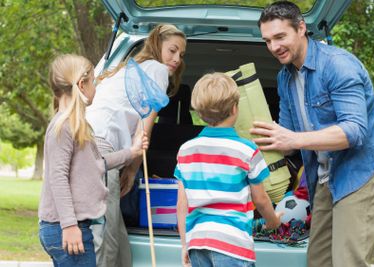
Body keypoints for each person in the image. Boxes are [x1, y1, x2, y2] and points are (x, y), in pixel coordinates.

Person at [252, 2, 374, 267]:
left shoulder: (338, 65)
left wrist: (293, 139)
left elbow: (354, 130)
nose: (273, 47)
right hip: (324, 178)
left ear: (301, 29)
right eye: (267, 40)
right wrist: (251, 140)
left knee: (348, 262)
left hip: (361, 173)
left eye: (279, 37)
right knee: (318, 260)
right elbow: (287, 143)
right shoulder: (285, 78)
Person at [86, 24, 186, 267]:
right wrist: (132, 169)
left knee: (117, 238)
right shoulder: (159, 71)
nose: (176, 59)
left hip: (92, 141)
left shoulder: (129, 70)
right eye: (172, 50)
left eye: (181, 55)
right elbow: (145, 126)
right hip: (100, 146)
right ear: (156, 44)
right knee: (106, 235)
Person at [38, 54, 148, 267]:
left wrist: (132, 152)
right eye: (94, 82)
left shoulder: (77, 126)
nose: (95, 88)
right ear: (82, 84)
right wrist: (69, 226)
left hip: (73, 226)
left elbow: (99, 163)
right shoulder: (63, 127)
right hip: (66, 228)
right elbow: (57, 178)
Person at [175, 73, 282, 267]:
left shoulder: (186, 150)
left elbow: (182, 203)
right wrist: (273, 221)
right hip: (233, 243)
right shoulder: (247, 150)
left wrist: (185, 244)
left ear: (199, 113)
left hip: (198, 243)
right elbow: (261, 199)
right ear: (235, 109)